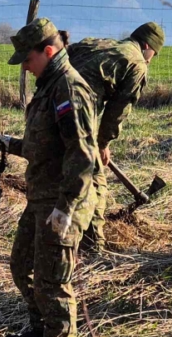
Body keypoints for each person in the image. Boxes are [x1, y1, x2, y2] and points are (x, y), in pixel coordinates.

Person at [0, 17, 102, 337]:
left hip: (63, 200)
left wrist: (66, 208)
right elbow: (46, 145)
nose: (25, 66)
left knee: (53, 278)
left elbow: (82, 156)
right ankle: (40, 331)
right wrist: (13, 145)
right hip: (41, 197)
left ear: (48, 50)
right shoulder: (48, 86)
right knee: (21, 265)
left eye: (27, 59)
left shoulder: (68, 89)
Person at [66, 21, 164, 252]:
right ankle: (93, 246)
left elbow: (65, 54)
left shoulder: (100, 43)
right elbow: (118, 110)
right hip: (78, 112)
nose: (151, 59)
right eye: (154, 54)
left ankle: (55, 231)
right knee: (95, 179)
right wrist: (102, 144)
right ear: (147, 46)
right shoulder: (137, 63)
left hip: (50, 105)